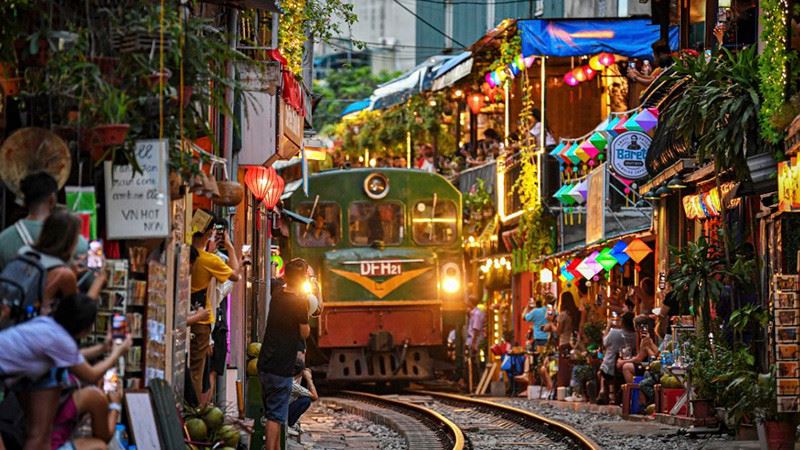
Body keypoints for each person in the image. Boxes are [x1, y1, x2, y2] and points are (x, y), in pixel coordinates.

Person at [0, 294, 131, 450]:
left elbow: (73, 358)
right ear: (85, 330)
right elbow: (91, 374)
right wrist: (117, 353)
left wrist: (102, 348)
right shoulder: (62, 342)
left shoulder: (47, 325)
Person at [257, 258, 310, 450]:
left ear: (285, 275)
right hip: (282, 365)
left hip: (265, 362)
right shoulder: (300, 302)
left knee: (273, 411)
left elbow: (278, 280)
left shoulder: (278, 294)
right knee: (275, 415)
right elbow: (304, 332)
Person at [189, 218, 240, 402]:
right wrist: (230, 247)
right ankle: (193, 415)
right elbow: (235, 275)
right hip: (201, 322)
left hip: (185, 317)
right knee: (197, 372)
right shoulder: (208, 260)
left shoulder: (187, 254)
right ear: (210, 232)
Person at [0, 173, 88, 271]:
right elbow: (90, 279)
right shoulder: (73, 239)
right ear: (52, 200)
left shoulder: (3, 239)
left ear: (24, 202)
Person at [51, 380, 124, 450]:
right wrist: (115, 405)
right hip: (51, 446)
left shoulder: (55, 384)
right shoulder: (91, 395)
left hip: (45, 442)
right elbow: (105, 437)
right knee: (99, 447)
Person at [596, 312, 636, 405]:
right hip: (625, 362)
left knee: (602, 370)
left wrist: (608, 326)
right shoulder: (635, 336)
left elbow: (605, 343)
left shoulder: (614, 332)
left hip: (609, 366)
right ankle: (610, 394)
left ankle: (603, 391)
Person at [287, 356, 318, 435]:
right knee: (306, 400)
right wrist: (309, 379)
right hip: (282, 412)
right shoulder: (294, 385)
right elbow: (314, 397)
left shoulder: (287, 379)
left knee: (303, 396)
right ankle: (288, 424)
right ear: (301, 372)